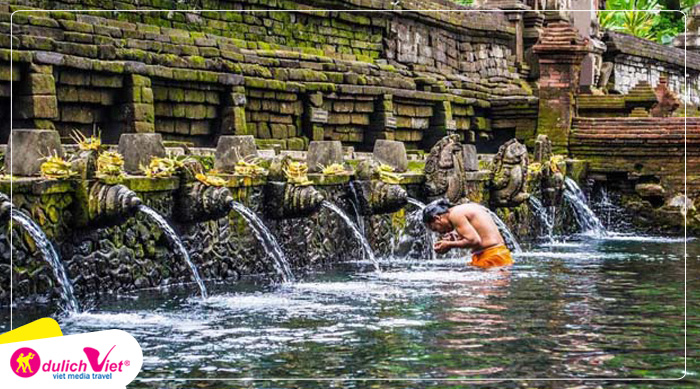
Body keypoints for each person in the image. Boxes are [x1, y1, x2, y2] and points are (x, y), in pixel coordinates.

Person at [422, 199, 513, 268]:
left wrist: (449, 244)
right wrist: (457, 237)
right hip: (496, 254)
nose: (440, 232)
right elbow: (480, 233)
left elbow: (474, 241)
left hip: (492, 257)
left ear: (437, 218)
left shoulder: (455, 214)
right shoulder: (463, 209)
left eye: (435, 228)